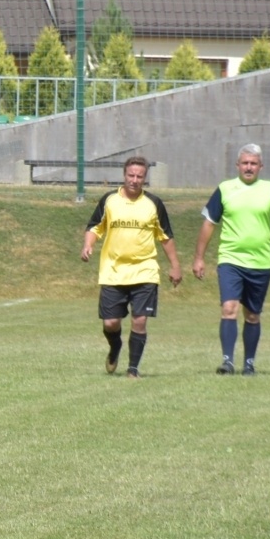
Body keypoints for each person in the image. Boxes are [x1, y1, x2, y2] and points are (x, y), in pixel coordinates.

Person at [191, 143, 270, 375]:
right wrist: (199, 258)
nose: (249, 167)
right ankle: (227, 361)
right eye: (245, 163)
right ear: (237, 165)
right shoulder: (225, 189)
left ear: (261, 166)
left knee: (252, 315)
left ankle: (249, 364)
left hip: (260, 262)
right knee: (229, 308)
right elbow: (209, 224)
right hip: (230, 259)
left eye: (253, 164)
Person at [81, 155, 182, 378]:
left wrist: (175, 265)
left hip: (144, 271)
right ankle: (115, 346)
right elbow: (94, 227)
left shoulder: (153, 203)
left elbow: (165, 236)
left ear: (145, 178)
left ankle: (133, 369)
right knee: (111, 323)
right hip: (113, 271)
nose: (135, 180)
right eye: (131, 175)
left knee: (140, 320)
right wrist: (88, 245)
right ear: (124, 175)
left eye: (139, 176)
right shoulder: (109, 200)